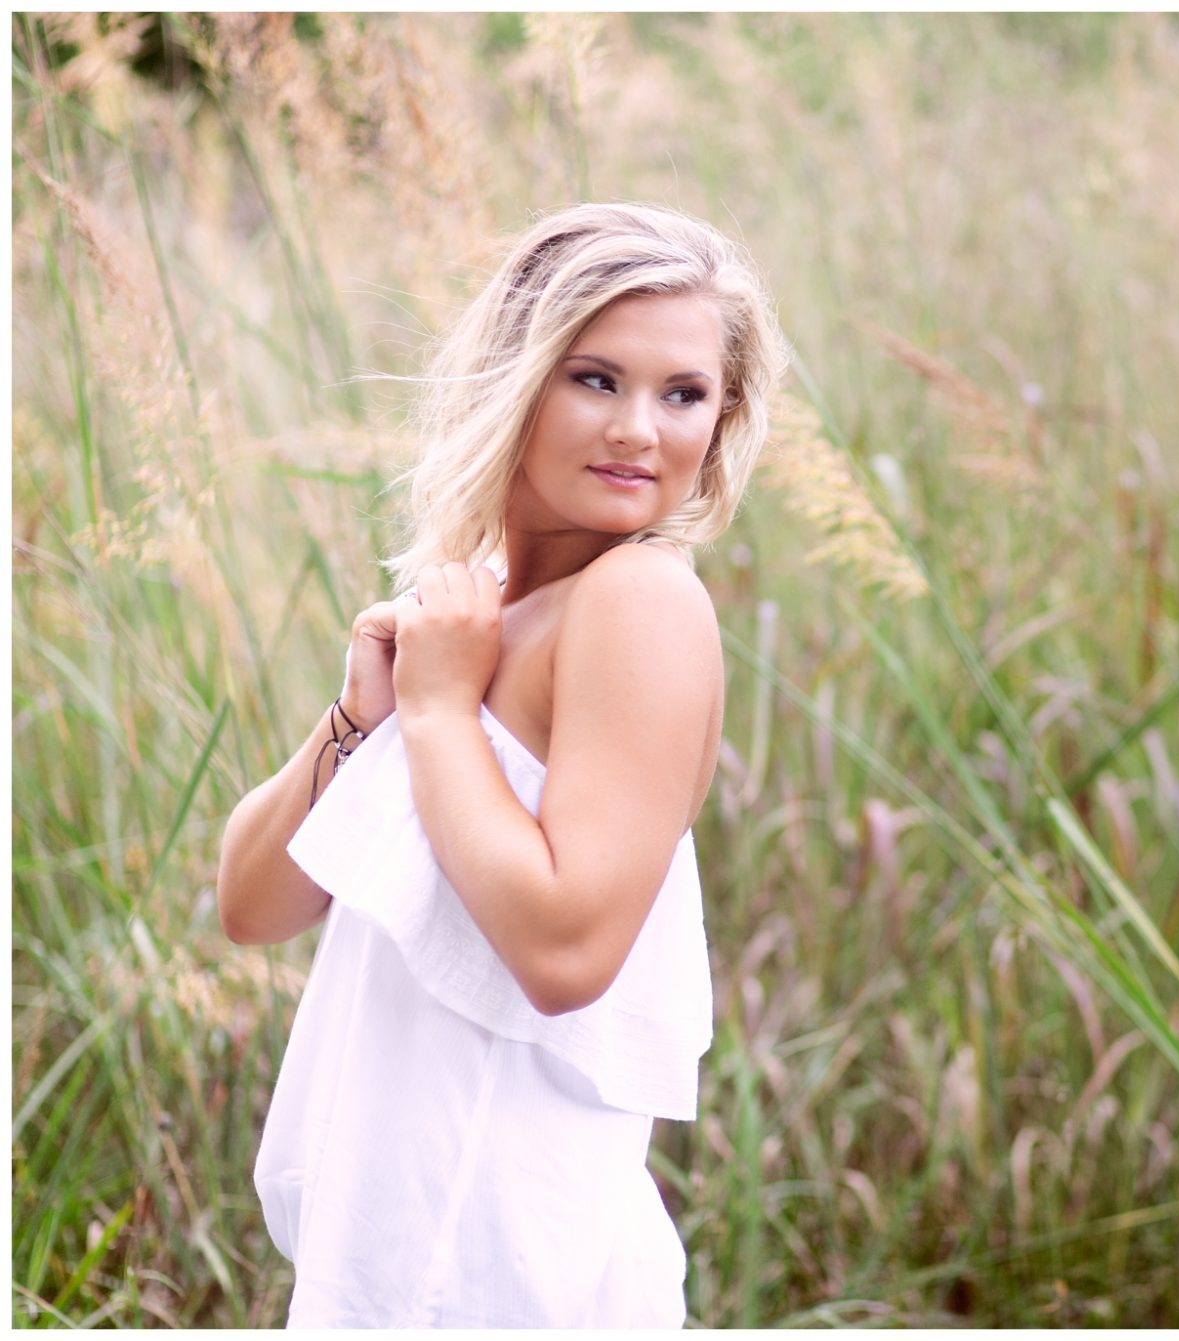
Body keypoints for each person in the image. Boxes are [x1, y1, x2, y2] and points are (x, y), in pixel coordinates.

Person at [214, 202, 788, 1327]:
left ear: (720, 426)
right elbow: (251, 904)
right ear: (515, 379)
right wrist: (362, 716)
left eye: (683, 394)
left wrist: (436, 718)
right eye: (594, 378)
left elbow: (567, 951)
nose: (638, 429)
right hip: (398, 1253)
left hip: (499, 1269)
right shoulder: (475, 610)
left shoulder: (639, 601)